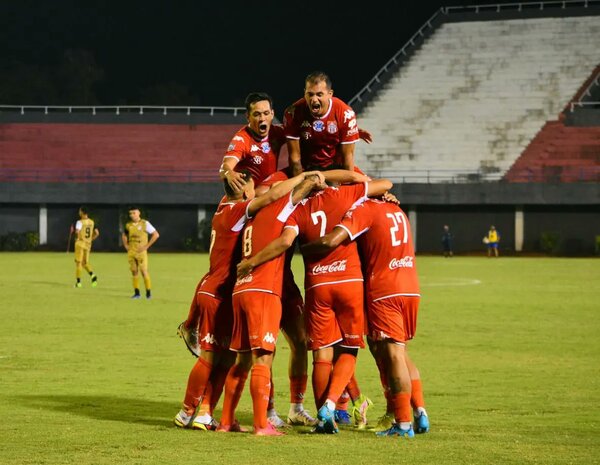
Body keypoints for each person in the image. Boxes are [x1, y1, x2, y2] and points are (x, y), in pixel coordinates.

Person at [237, 170, 392, 434]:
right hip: (346, 281)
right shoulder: (344, 195)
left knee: (315, 350)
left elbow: (287, 239)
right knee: (348, 349)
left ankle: (315, 413)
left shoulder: (295, 209)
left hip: (315, 285)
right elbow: (384, 183)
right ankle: (327, 406)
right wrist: (377, 190)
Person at [174, 170, 322, 432]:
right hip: (231, 290)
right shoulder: (242, 210)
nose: (258, 194)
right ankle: (247, 420)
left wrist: (226, 171)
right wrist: (305, 179)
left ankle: (204, 415)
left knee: (229, 359)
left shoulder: (223, 206)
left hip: (216, 288)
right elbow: (278, 200)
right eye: (253, 190)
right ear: (244, 193)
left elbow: (245, 188)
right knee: (235, 358)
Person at [300, 198, 430, 438]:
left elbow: (333, 239)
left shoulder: (365, 209)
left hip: (384, 289)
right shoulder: (397, 209)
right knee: (399, 351)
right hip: (410, 285)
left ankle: (402, 422)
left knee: (391, 353)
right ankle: (419, 410)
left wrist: (304, 248)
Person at [218, 172, 324, 436]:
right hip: (264, 290)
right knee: (263, 358)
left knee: (242, 361)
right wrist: (316, 179)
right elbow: (301, 189)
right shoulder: (275, 209)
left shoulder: (244, 216)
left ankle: (225, 422)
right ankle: (261, 424)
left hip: (241, 290)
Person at [284, 71, 365, 175]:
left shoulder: (345, 113)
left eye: (319, 94)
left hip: (335, 170)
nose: (314, 99)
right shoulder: (293, 113)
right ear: (304, 93)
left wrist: (346, 188)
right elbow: (295, 159)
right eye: (310, 94)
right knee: (266, 189)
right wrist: (301, 185)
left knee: (380, 187)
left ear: (330, 94)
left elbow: (348, 158)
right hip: (305, 170)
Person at [219, 92, 287, 191]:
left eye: (266, 113)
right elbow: (224, 167)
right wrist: (229, 173)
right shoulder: (242, 139)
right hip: (251, 196)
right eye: (257, 114)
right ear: (248, 116)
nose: (262, 119)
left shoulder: (277, 132)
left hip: (268, 191)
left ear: (272, 114)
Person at [121, 207, 160, 299]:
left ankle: (148, 293)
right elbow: (124, 235)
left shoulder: (145, 223)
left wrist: (146, 246)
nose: (132, 215)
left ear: (139, 213)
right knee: (134, 271)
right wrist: (126, 245)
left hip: (141, 252)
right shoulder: (128, 225)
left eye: (134, 213)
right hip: (131, 252)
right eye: (130, 213)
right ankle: (137, 293)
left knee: (143, 271)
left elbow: (156, 234)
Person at [73, 206, 99, 288]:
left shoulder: (79, 222)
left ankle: (78, 282)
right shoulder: (92, 222)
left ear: (82, 212)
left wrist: (77, 237)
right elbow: (97, 233)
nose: (79, 212)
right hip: (88, 245)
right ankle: (93, 275)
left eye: (79, 211)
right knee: (85, 263)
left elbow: (77, 231)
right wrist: (91, 239)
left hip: (80, 243)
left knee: (79, 263)